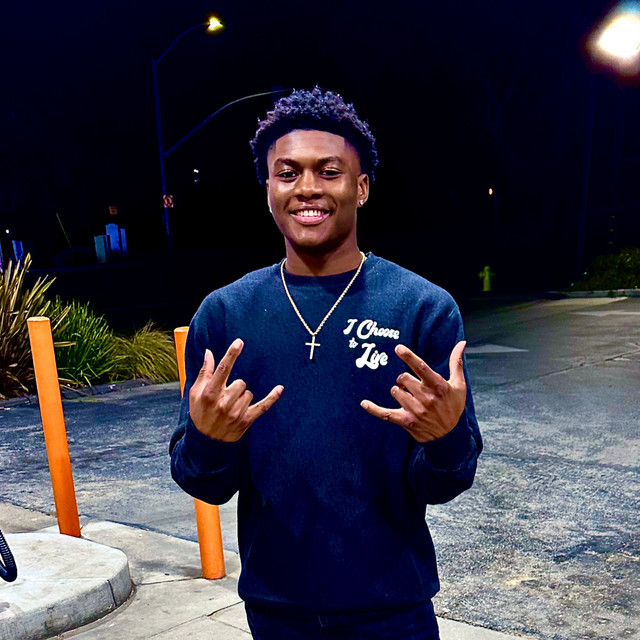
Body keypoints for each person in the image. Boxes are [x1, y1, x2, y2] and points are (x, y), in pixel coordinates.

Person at [170, 86, 482, 640]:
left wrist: (446, 439)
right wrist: (209, 440)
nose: (307, 188)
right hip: (275, 608)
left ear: (361, 188)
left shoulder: (423, 308)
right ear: (268, 188)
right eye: (287, 173)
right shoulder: (224, 315)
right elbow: (206, 483)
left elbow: (445, 482)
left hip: (395, 607)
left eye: (329, 171)